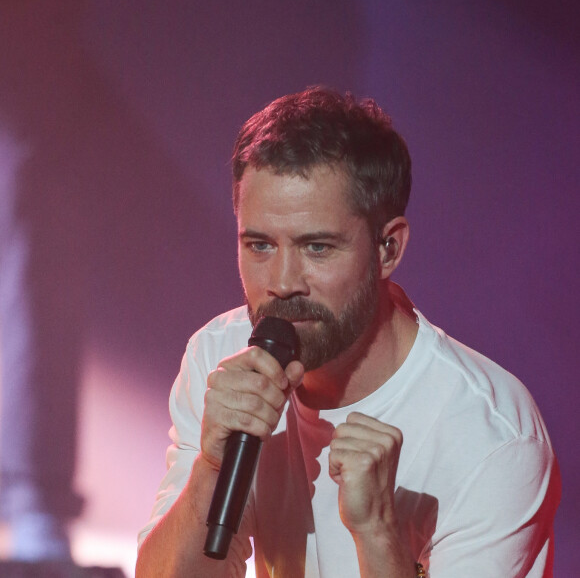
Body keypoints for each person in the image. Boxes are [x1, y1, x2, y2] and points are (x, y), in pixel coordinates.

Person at [136, 87, 560, 577]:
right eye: (259, 245)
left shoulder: (490, 439)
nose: (281, 283)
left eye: (317, 247)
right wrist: (211, 467)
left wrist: (379, 533)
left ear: (387, 249)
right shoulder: (220, 355)